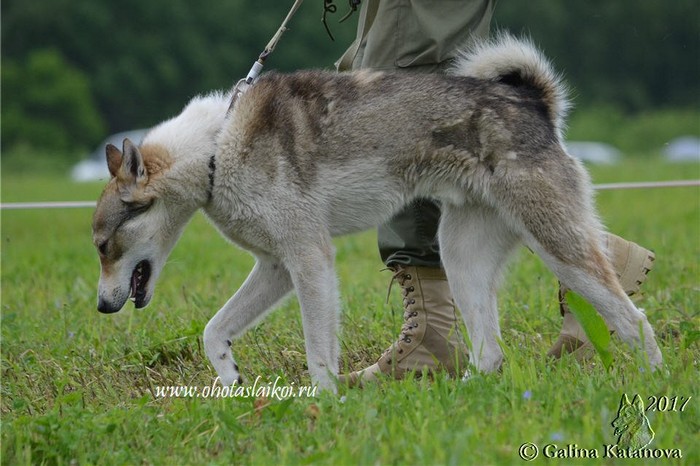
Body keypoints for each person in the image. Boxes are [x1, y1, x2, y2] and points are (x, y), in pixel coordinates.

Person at [334, 0, 655, 385]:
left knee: (398, 78)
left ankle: (647, 352)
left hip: (511, 144)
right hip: (476, 149)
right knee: (458, 248)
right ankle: (483, 361)